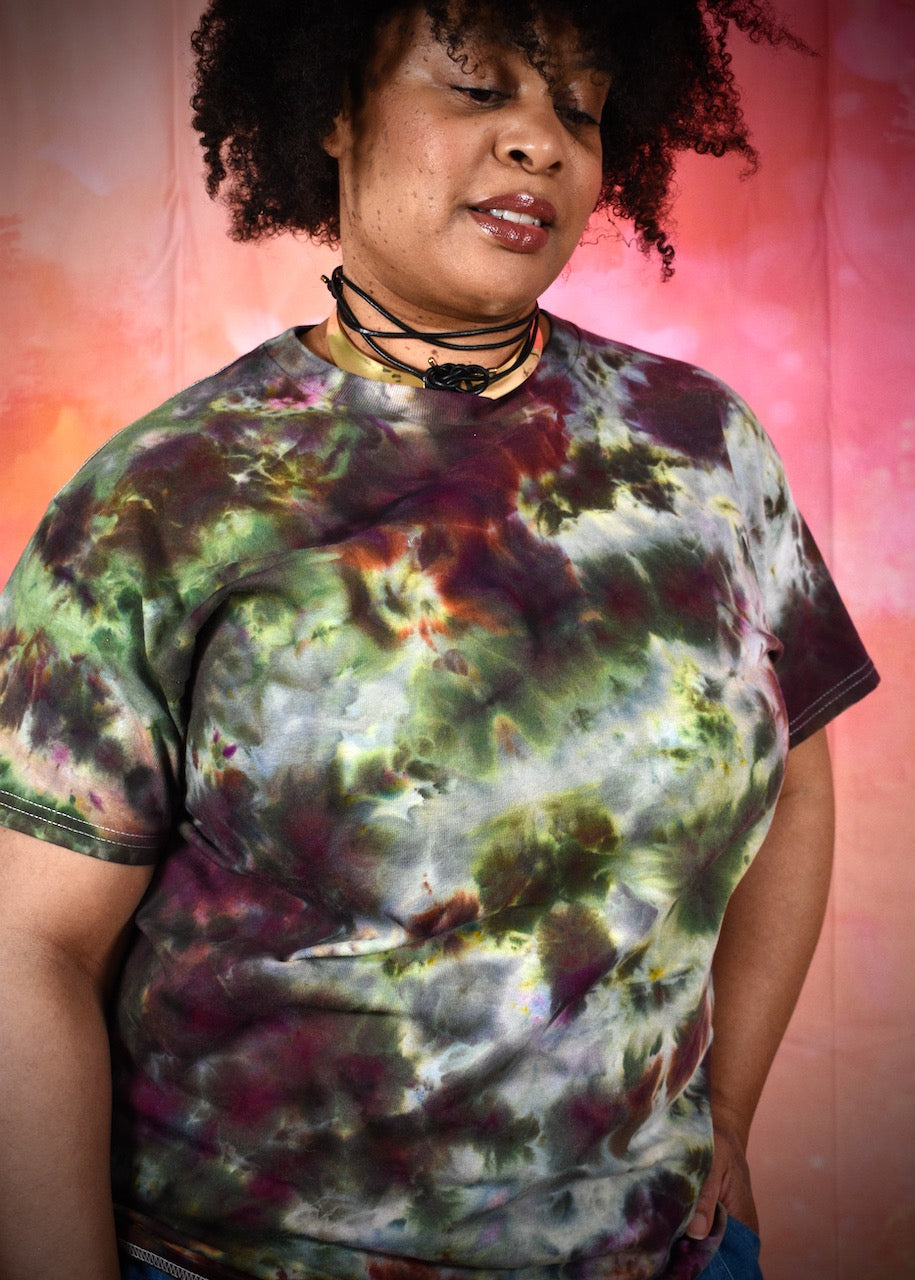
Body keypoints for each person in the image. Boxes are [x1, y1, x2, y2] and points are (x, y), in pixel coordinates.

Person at [0, 2, 879, 1279]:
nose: (539, 139)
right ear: (333, 113)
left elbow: (795, 781)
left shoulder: (701, 446)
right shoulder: (169, 494)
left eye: (578, 108)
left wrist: (726, 1110)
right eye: (475, 87)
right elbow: (28, 947)